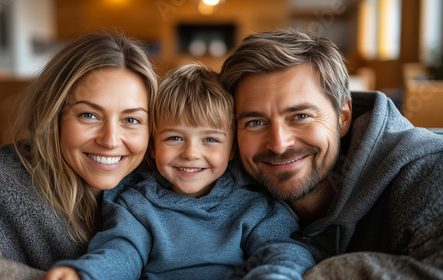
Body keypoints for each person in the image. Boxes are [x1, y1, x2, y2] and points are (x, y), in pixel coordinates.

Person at [42, 64, 315, 280]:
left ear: (232, 149)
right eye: (174, 138)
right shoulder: (137, 204)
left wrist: (277, 275)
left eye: (210, 140)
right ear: (152, 147)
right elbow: (121, 251)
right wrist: (86, 273)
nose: (191, 153)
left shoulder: (254, 205)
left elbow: (283, 250)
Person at [220, 28, 443, 278]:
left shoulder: (425, 170)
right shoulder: (218, 183)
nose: (279, 145)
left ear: (343, 117)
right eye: (255, 122)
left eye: (301, 116)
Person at [0, 33, 157, 279]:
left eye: (131, 120)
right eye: (89, 115)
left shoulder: (156, 189)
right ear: (53, 115)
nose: (110, 140)